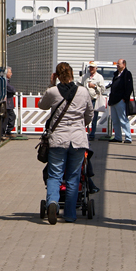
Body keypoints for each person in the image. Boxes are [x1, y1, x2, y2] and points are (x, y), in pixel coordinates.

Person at [38, 62, 93, 224]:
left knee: (55, 176)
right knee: (73, 178)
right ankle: (69, 214)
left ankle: (53, 203)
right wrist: (81, 125)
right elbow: (89, 114)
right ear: (72, 74)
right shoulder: (83, 91)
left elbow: (42, 105)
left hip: (58, 140)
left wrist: (51, 83)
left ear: (56, 75)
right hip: (77, 140)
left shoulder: (52, 91)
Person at [107, 58, 134, 143]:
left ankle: (128, 137)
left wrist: (124, 98)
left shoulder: (127, 74)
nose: (117, 65)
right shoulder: (116, 74)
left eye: (119, 64)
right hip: (113, 100)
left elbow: (129, 87)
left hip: (120, 100)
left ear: (124, 64)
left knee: (123, 119)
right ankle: (118, 137)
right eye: (117, 64)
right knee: (115, 120)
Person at [81, 62, 106, 140]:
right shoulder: (85, 76)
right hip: (85, 100)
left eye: (92, 67)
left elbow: (102, 90)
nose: (91, 69)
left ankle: (92, 135)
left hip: (93, 99)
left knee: (94, 118)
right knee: (83, 116)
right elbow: (79, 84)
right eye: (90, 67)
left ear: (96, 68)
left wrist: (94, 86)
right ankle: (83, 133)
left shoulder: (99, 77)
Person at [3, 67, 16, 137]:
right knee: (9, 117)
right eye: (10, 72)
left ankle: (7, 131)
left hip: (8, 103)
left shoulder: (6, 81)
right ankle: (6, 132)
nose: (11, 74)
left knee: (11, 117)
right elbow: (11, 89)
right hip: (7, 103)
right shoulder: (5, 81)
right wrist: (13, 89)